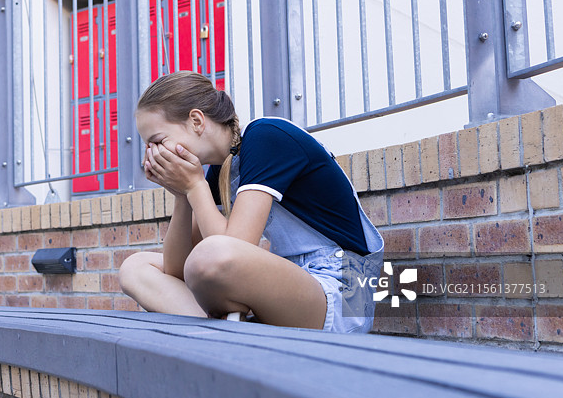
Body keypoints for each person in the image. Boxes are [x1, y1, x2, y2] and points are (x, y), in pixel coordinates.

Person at [119, 71, 384, 332]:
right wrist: (182, 195)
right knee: (135, 267)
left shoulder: (265, 137)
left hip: (345, 293)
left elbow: (231, 252)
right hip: (291, 284)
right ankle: (225, 336)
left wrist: (194, 186)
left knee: (210, 256)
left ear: (197, 121)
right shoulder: (218, 170)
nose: (151, 155)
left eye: (157, 141)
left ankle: (229, 335)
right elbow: (177, 271)